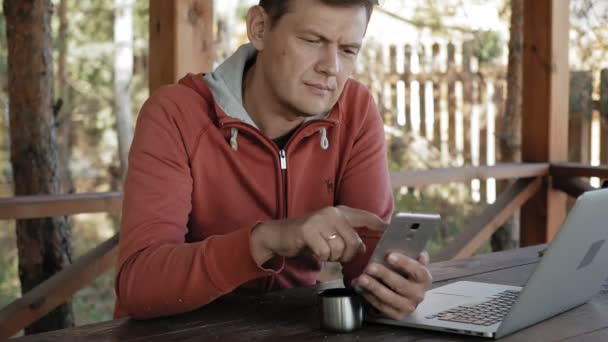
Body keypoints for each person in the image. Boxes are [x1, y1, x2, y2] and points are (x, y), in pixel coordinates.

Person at [115, 0, 432, 321]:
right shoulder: (176, 114)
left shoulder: (356, 111)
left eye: (348, 50)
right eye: (312, 41)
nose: (331, 66)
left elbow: (368, 260)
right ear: (259, 29)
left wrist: (393, 284)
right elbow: (140, 285)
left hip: (290, 327)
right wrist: (268, 239)